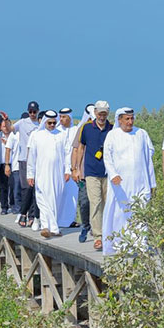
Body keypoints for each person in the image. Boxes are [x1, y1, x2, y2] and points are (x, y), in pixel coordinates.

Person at [102, 107, 156, 255]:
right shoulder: (112, 135)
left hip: (141, 182)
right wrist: (113, 174)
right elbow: (107, 157)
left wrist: (152, 182)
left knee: (140, 211)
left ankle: (140, 244)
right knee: (120, 213)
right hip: (120, 184)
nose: (130, 122)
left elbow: (149, 155)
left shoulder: (141, 133)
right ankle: (121, 244)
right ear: (120, 120)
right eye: (127, 119)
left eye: (132, 118)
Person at [74, 100, 112, 250]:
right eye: (100, 113)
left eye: (104, 114)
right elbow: (81, 148)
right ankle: (98, 236)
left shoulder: (112, 128)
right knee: (95, 203)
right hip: (91, 172)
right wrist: (77, 168)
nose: (102, 116)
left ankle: (109, 233)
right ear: (95, 113)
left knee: (108, 203)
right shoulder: (87, 128)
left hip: (108, 172)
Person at [27, 110, 70, 238]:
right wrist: (30, 174)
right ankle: (47, 227)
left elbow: (67, 154)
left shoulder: (61, 135)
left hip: (58, 175)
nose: (52, 125)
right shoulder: (36, 136)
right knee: (42, 199)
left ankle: (53, 226)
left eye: (54, 123)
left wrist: (68, 170)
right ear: (45, 122)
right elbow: (32, 157)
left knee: (55, 200)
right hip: (41, 174)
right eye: (49, 123)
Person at [12, 101, 41, 228]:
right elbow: (10, 129)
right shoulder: (22, 123)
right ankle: (23, 213)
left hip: (38, 161)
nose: (33, 114)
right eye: (31, 112)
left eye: (35, 112)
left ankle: (32, 216)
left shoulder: (41, 124)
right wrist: (7, 121)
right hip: (24, 159)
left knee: (35, 189)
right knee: (26, 188)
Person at [71, 103, 95, 242]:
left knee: (98, 202)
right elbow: (75, 149)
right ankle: (86, 226)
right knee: (84, 202)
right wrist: (74, 169)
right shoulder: (82, 129)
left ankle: (97, 229)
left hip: (99, 172)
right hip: (84, 173)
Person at [56, 107, 79, 228]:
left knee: (72, 195)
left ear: (69, 117)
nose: (61, 119)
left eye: (64, 117)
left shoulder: (76, 130)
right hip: (58, 169)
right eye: (60, 117)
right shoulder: (56, 131)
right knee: (59, 194)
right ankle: (57, 220)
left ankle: (69, 220)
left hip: (72, 168)